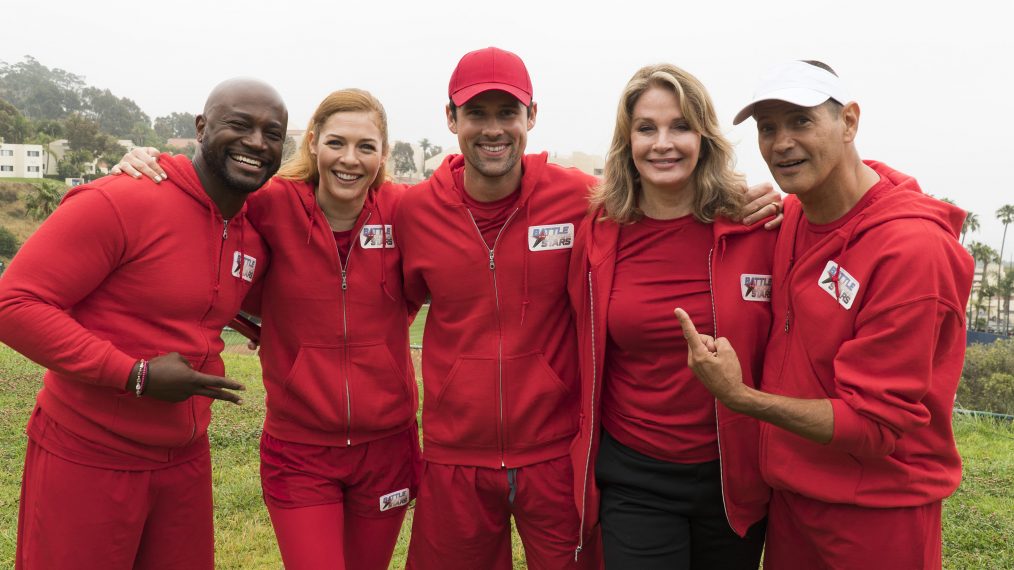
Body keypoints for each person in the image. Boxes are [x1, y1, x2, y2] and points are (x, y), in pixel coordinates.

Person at [396, 47, 781, 570]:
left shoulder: (585, 204)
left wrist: (777, 204)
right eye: (646, 129)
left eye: (507, 112)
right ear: (450, 118)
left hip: (587, 456)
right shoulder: (419, 210)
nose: (493, 128)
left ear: (531, 116)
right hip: (545, 461)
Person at [675, 60, 975, 569]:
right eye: (768, 128)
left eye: (801, 121)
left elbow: (875, 424)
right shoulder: (794, 214)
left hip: (877, 516)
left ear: (849, 122)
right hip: (793, 502)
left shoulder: (911, 251)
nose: (782, 142)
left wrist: (741, 397)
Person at [113, 89, 420, 570]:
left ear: (384, 154)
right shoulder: (272, 203)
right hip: (300, 448)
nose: (350, 159)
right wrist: (146, 160)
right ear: (314, 143)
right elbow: (203, 210)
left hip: (388, 448)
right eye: (337, 143)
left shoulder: (405, 211)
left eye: (366, 146)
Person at [0, 78, 287, 569]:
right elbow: (14, 303)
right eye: (239, 125)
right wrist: (135, 374)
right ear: (201, 127)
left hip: (185, 457)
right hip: (88, 452)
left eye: (272, 132)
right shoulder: (123, 199)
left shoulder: (253, 232)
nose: (256, 142)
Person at [567, 63, 773, 570]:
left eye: (680, 126)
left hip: (732, 480)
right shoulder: (597, 233)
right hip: (636, 476)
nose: (663, 143)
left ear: (704, 137)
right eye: (646, 128)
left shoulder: (758, 229)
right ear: (627, 141)